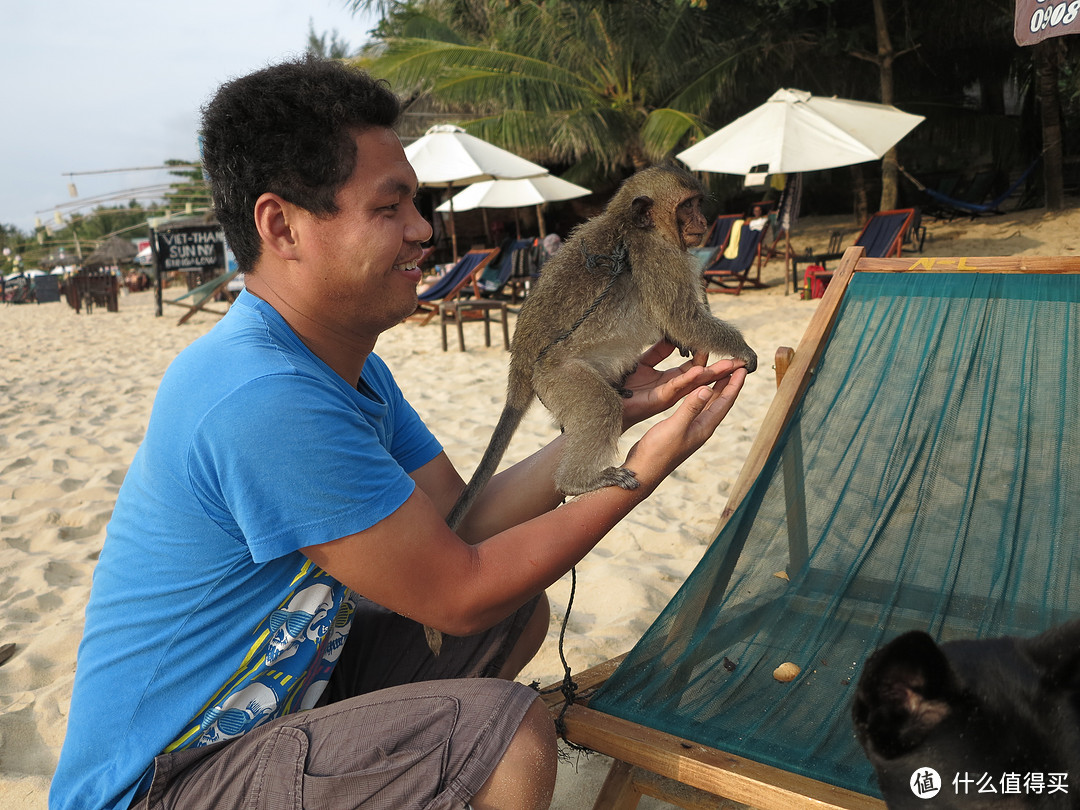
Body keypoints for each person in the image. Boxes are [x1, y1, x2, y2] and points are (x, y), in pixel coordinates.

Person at [50, 56, 747, 810]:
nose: (423, 231)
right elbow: (461, 592)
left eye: (416, 203)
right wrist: (643, 468)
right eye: (390, 209)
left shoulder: (343, 369)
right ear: (280, 225)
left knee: (519, 612)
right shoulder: (261, 395)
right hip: (157, 787)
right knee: (505, 736)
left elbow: (460, 524)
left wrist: (608, 419)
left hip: (276, 719)